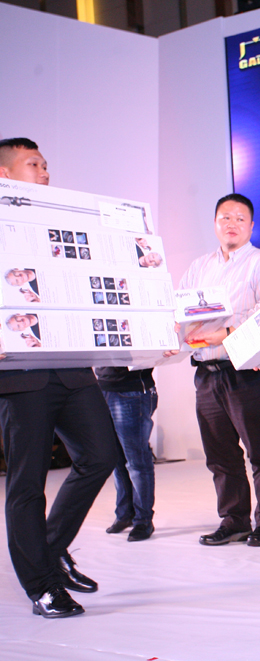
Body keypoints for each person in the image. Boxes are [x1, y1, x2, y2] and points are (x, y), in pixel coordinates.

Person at [0, 137, 115, 618]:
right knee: (27, 483)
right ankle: (41, 586)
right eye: (34, 164)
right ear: (5, 174)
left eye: (46, 164)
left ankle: (49, 548)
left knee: (102, 454)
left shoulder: (58, 225)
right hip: (19, 374)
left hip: (71, 367)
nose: (45, 172)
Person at [178, 194, 260, 548]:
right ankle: (234, 519)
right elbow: (180, 312)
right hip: (205, 372)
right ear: (215, 224)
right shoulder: (199, 267)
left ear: (251, 226)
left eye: (240, 218)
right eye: (225, 217)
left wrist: (225, 332)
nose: (231, 224)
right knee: (220, 454)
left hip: (245, 371)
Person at [95, 367, 158, 542]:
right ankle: (125, 514)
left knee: (136, 460)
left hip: (132, 390)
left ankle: (143, 520)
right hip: (103, 388)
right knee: (117, 460)